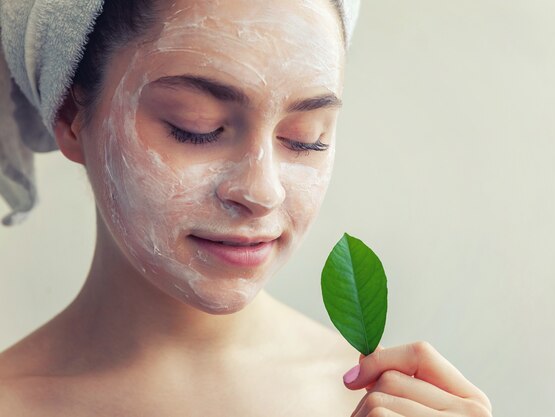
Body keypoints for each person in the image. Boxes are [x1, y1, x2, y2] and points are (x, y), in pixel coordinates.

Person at [0, 0, 492, 415]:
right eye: (199, 127)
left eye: (306, 139)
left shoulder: (372, 399)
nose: (263, 191)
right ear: (70, 114)